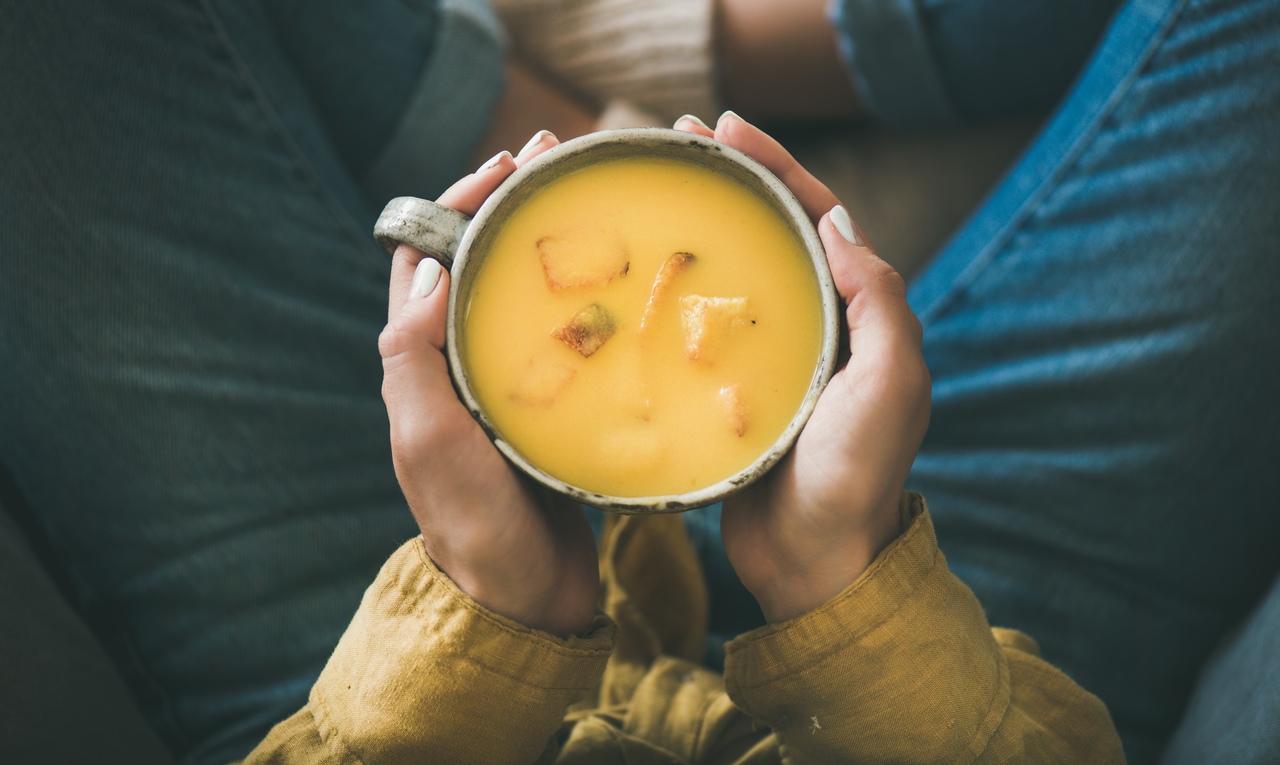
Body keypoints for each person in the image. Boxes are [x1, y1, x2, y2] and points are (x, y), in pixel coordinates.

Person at [1, 0, 1275, 762]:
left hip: (386, 663)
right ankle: (632, 60)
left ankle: (570, 73)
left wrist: (484, 603)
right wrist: (845, 574)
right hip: (951, 658)